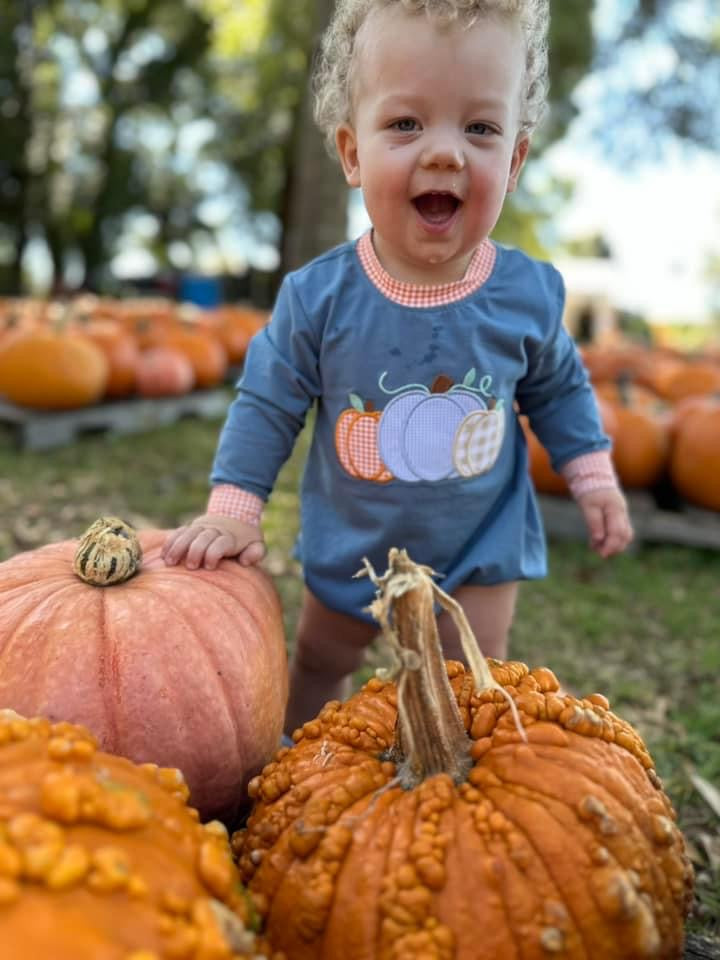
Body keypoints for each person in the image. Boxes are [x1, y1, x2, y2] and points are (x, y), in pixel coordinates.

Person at [162, 0, 634, 737]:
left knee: (471, 683)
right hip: (352, 549)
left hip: (479, 552)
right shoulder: (316, 298)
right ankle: (301, 767)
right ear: (352, 153)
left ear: (513, 160)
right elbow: (267, 404)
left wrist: (593, 474)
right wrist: (233, 508)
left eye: (479, 128)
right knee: (319, 660)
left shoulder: (526, 294)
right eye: (406, 124)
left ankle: (458, 803)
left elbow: (560, 391)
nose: (444, 153)